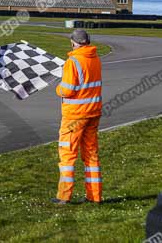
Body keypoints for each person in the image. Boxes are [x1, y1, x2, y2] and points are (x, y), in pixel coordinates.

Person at [52, 28, 103, 205]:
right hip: (93, 112)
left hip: (74, 116)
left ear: (73, 42)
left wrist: (58, 89)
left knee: (67, 155)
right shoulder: (95, 58)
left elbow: (67, 90)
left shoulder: (72, 61)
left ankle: (64, 196)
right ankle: (95, 196)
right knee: (91, 154)